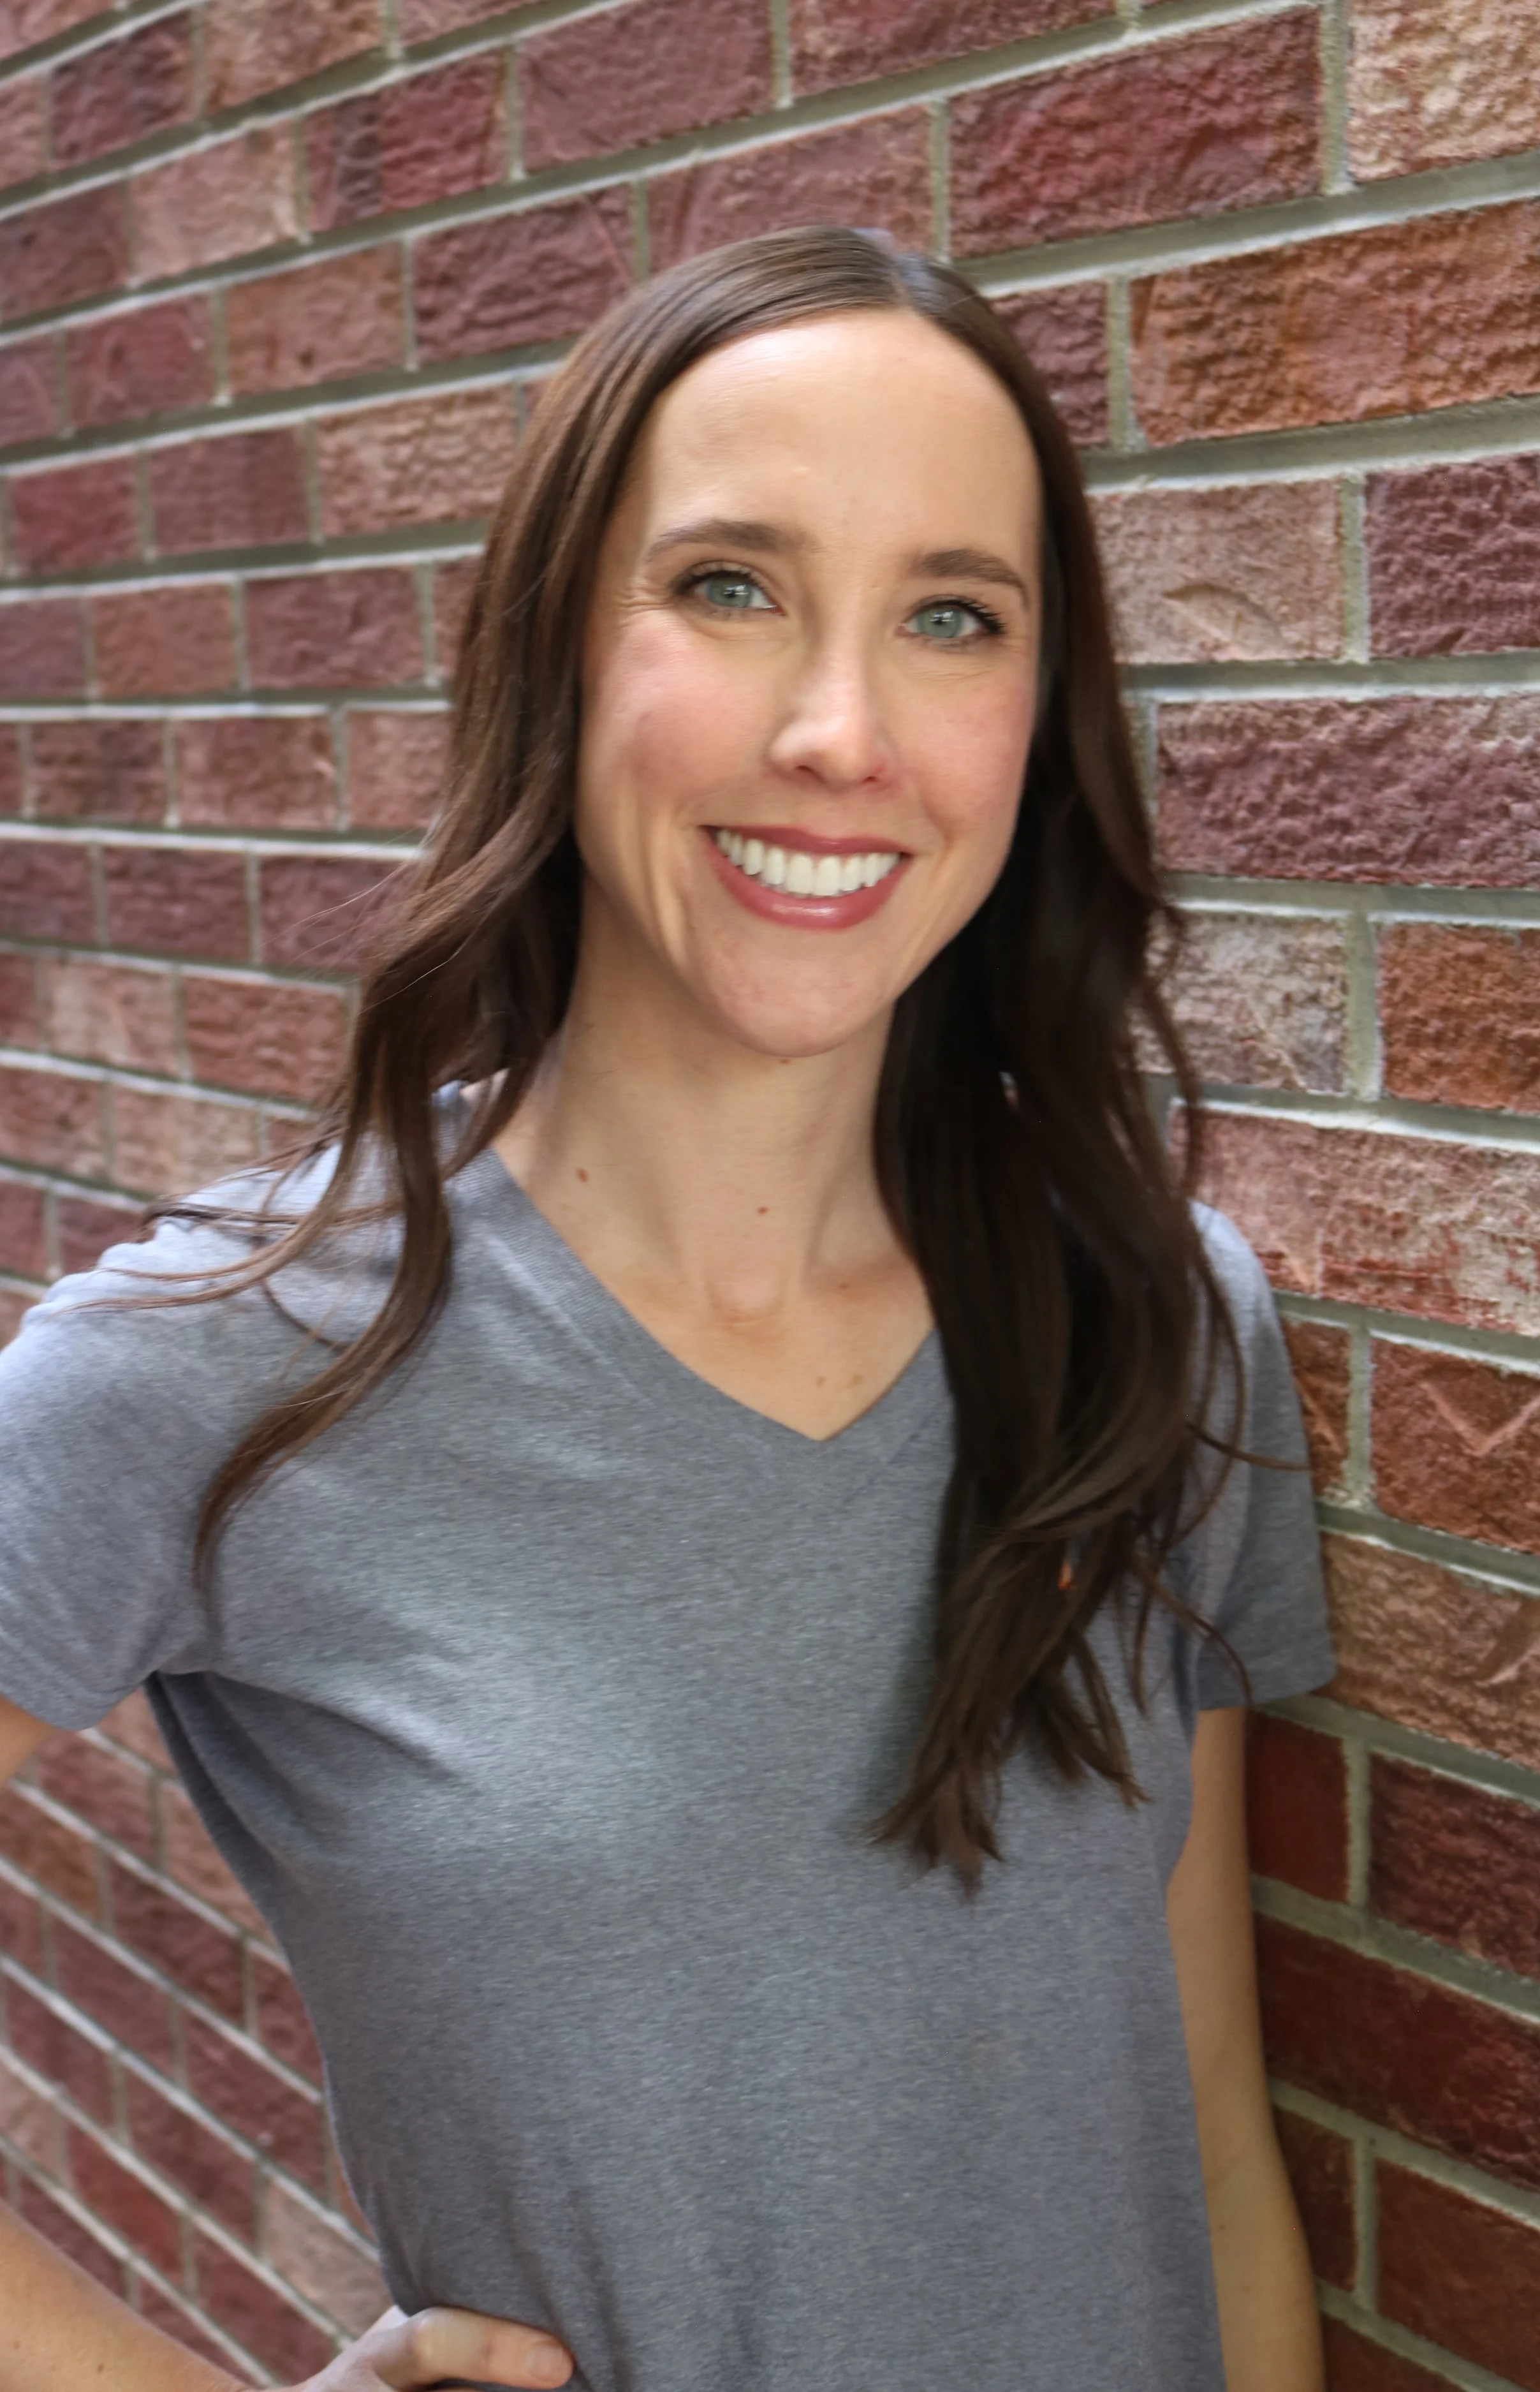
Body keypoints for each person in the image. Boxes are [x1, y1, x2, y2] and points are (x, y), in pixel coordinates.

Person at [0, 227, 1333, 2392]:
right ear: (557, 653)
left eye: (950, 617)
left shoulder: (1156, 1323)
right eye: (729, 587)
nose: (839, 732)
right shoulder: (229, 1359)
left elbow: (1197, 2115)